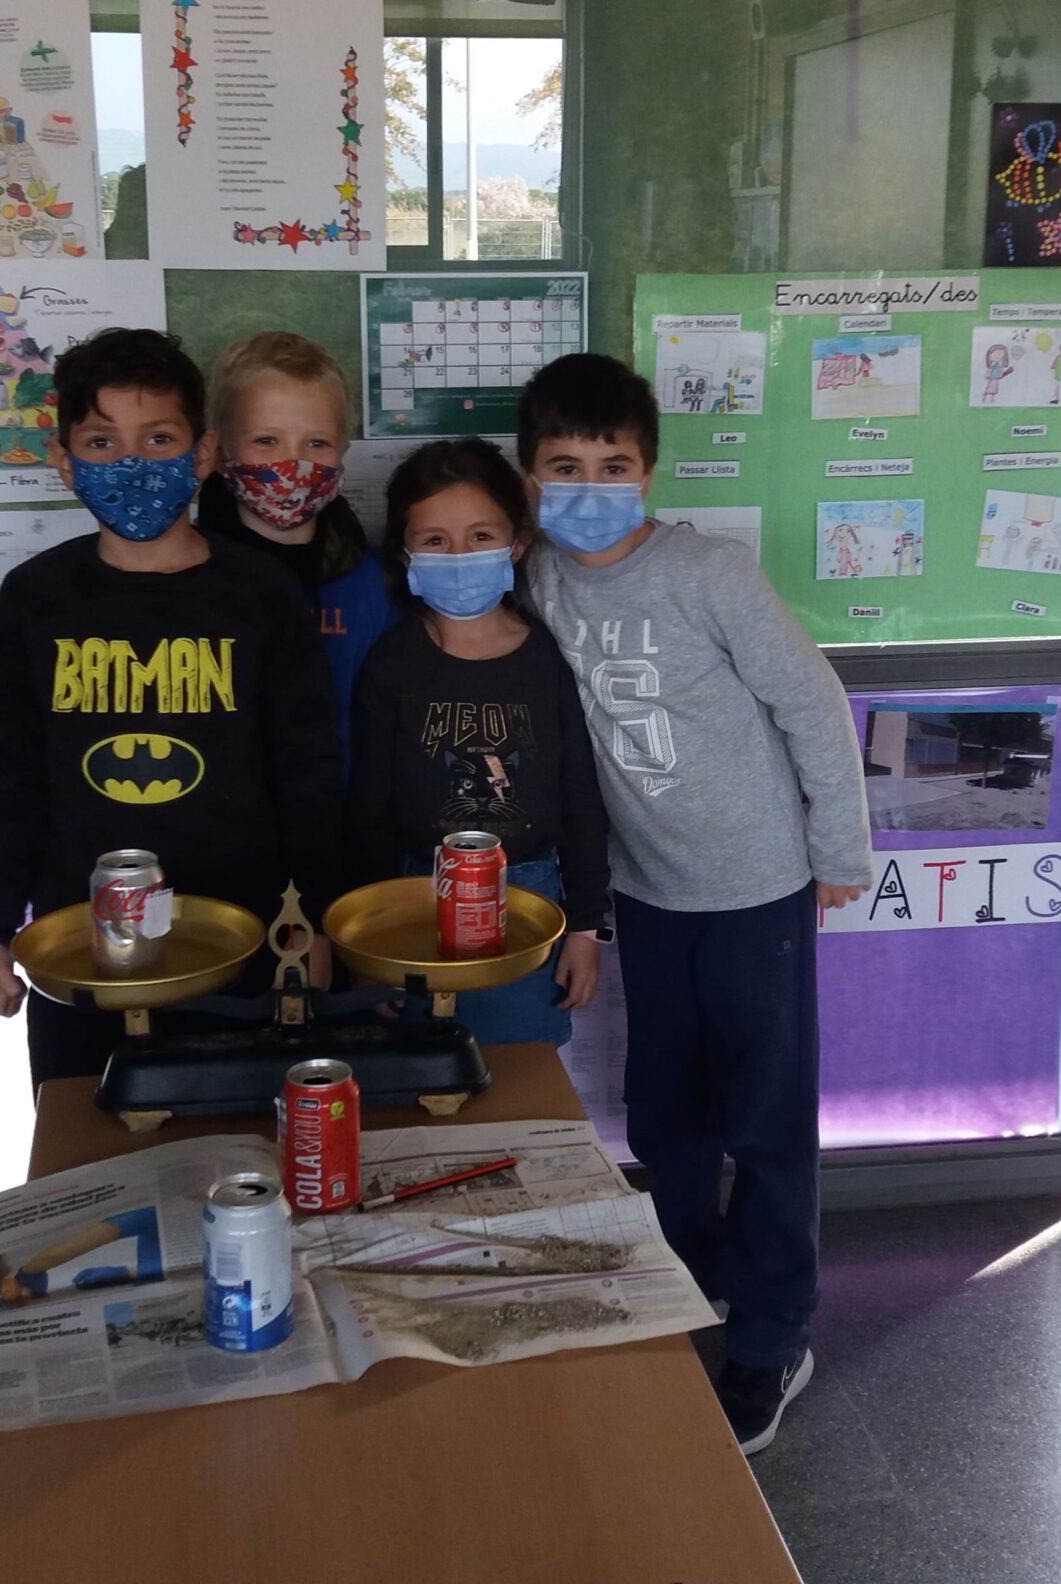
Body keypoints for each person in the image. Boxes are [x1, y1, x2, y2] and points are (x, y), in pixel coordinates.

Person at [517, 352, 871, 1458]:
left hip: (758, 887)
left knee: (765, 1123)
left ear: (649, 473)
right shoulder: (535, 577)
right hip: (649, 892)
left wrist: (838, 849)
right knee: (666, 1115)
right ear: (529, 477)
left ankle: (774, 1334)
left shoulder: (706, 572)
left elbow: (811, 702)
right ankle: (690, 1279)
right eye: (563, 466)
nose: (589, 488)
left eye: (613, 465)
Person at [0, 328, 345, 1086]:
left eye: (158, 438)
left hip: (246, 943)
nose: (131, 463)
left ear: (202, 455)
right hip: (81, 946)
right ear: (64, 460)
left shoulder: (263, 595)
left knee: (243, 1133)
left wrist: (318, 918)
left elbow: (307, 770)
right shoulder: (35, 598)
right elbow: (8, 775)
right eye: (101, 443)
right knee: (92, 1137)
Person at [347, 438, 607, 1044]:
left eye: (480, 536)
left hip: (530, 900)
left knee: (520, 1070)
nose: (459, 555)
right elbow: (368, 809)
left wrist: (586, 928)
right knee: (422, 1069)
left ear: (517, 543)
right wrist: (364, 942)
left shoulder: (549, 659)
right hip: (410, 900)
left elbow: (580, 797)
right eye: (435, 540)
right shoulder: (391, 663)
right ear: (405, 553)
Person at [196, 331, 394, 753]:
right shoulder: (186, 579)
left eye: (317, 443)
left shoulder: (377, 584)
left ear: (342, 451)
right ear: (219, 453)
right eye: (266, 441)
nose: (294, 463)